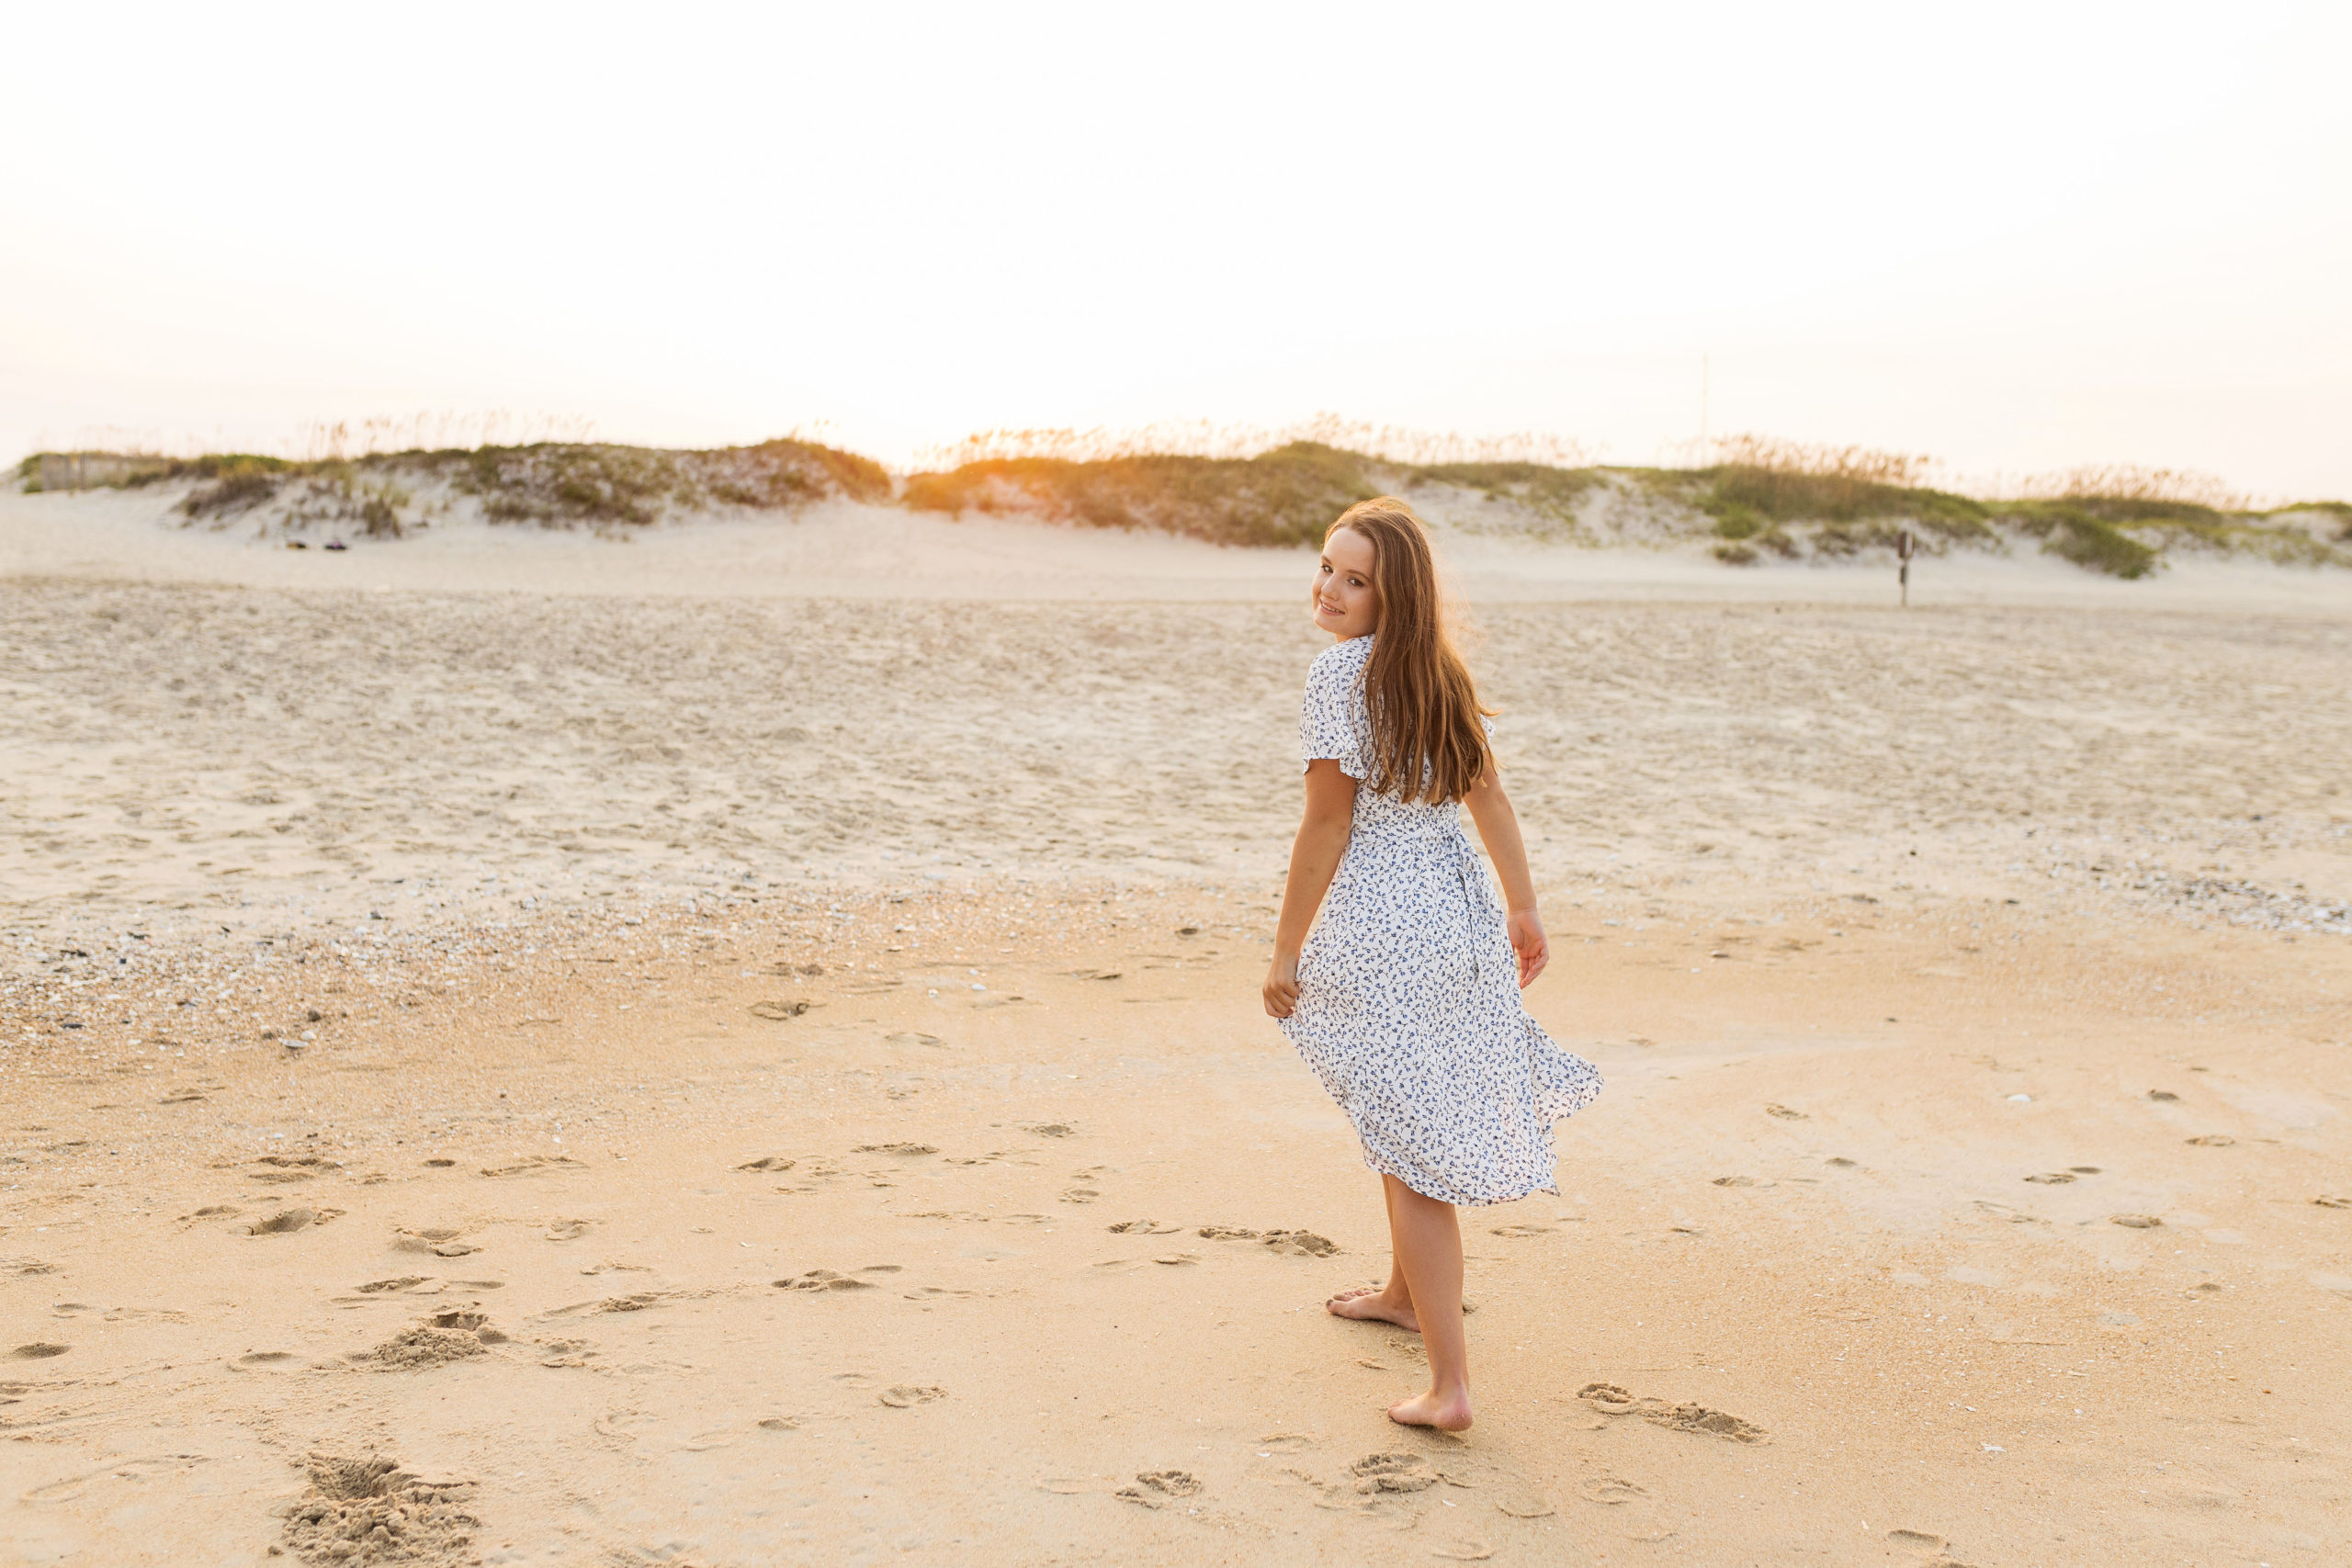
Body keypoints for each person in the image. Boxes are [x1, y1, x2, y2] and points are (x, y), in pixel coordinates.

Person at [1261, 498, 1602, 1431]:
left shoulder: (1338, 676)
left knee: (1408, 1147)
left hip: (1383, 928)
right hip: (1455, 921)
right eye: (1327, 566)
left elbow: (1327, 824)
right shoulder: (1438, 671)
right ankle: (1401, 1295)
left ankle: (1450, 1386)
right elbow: (1485, 793)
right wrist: (1523, 907)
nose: (1329, 589)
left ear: (1391, 592)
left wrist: (1286, 948)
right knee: (1397, 1114)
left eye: (1355, 578)